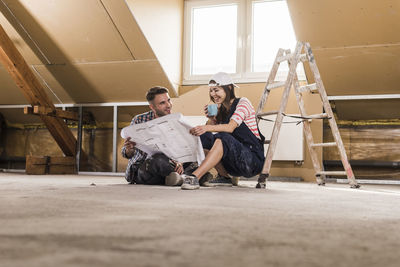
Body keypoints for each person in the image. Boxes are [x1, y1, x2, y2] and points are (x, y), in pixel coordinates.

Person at [181, 72, 265, 190]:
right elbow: (211, 136)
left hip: (251, 161)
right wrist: (211, 120)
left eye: (216, 90)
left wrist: (206, 127)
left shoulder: (243, 102)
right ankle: (224, 177)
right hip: (233, 162)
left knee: (223, 137)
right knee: (204, 137)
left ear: (229, 88)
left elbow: (230, 128)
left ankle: (195, 177)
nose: (213, 94)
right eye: (211, 91)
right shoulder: (220, 109)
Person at [122, 86, 201, 186]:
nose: (168, 105)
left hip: (168, 165)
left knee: (194, 160)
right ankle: (187, 177)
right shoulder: (139, 120)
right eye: (162, 103)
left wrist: (180, 162)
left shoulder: (175, 121)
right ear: (152, 107)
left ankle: (177, 177)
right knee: (159, 159)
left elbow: (181, 149)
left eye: (169, 100)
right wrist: (129, 150)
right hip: (144, 169)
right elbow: (125, 153)